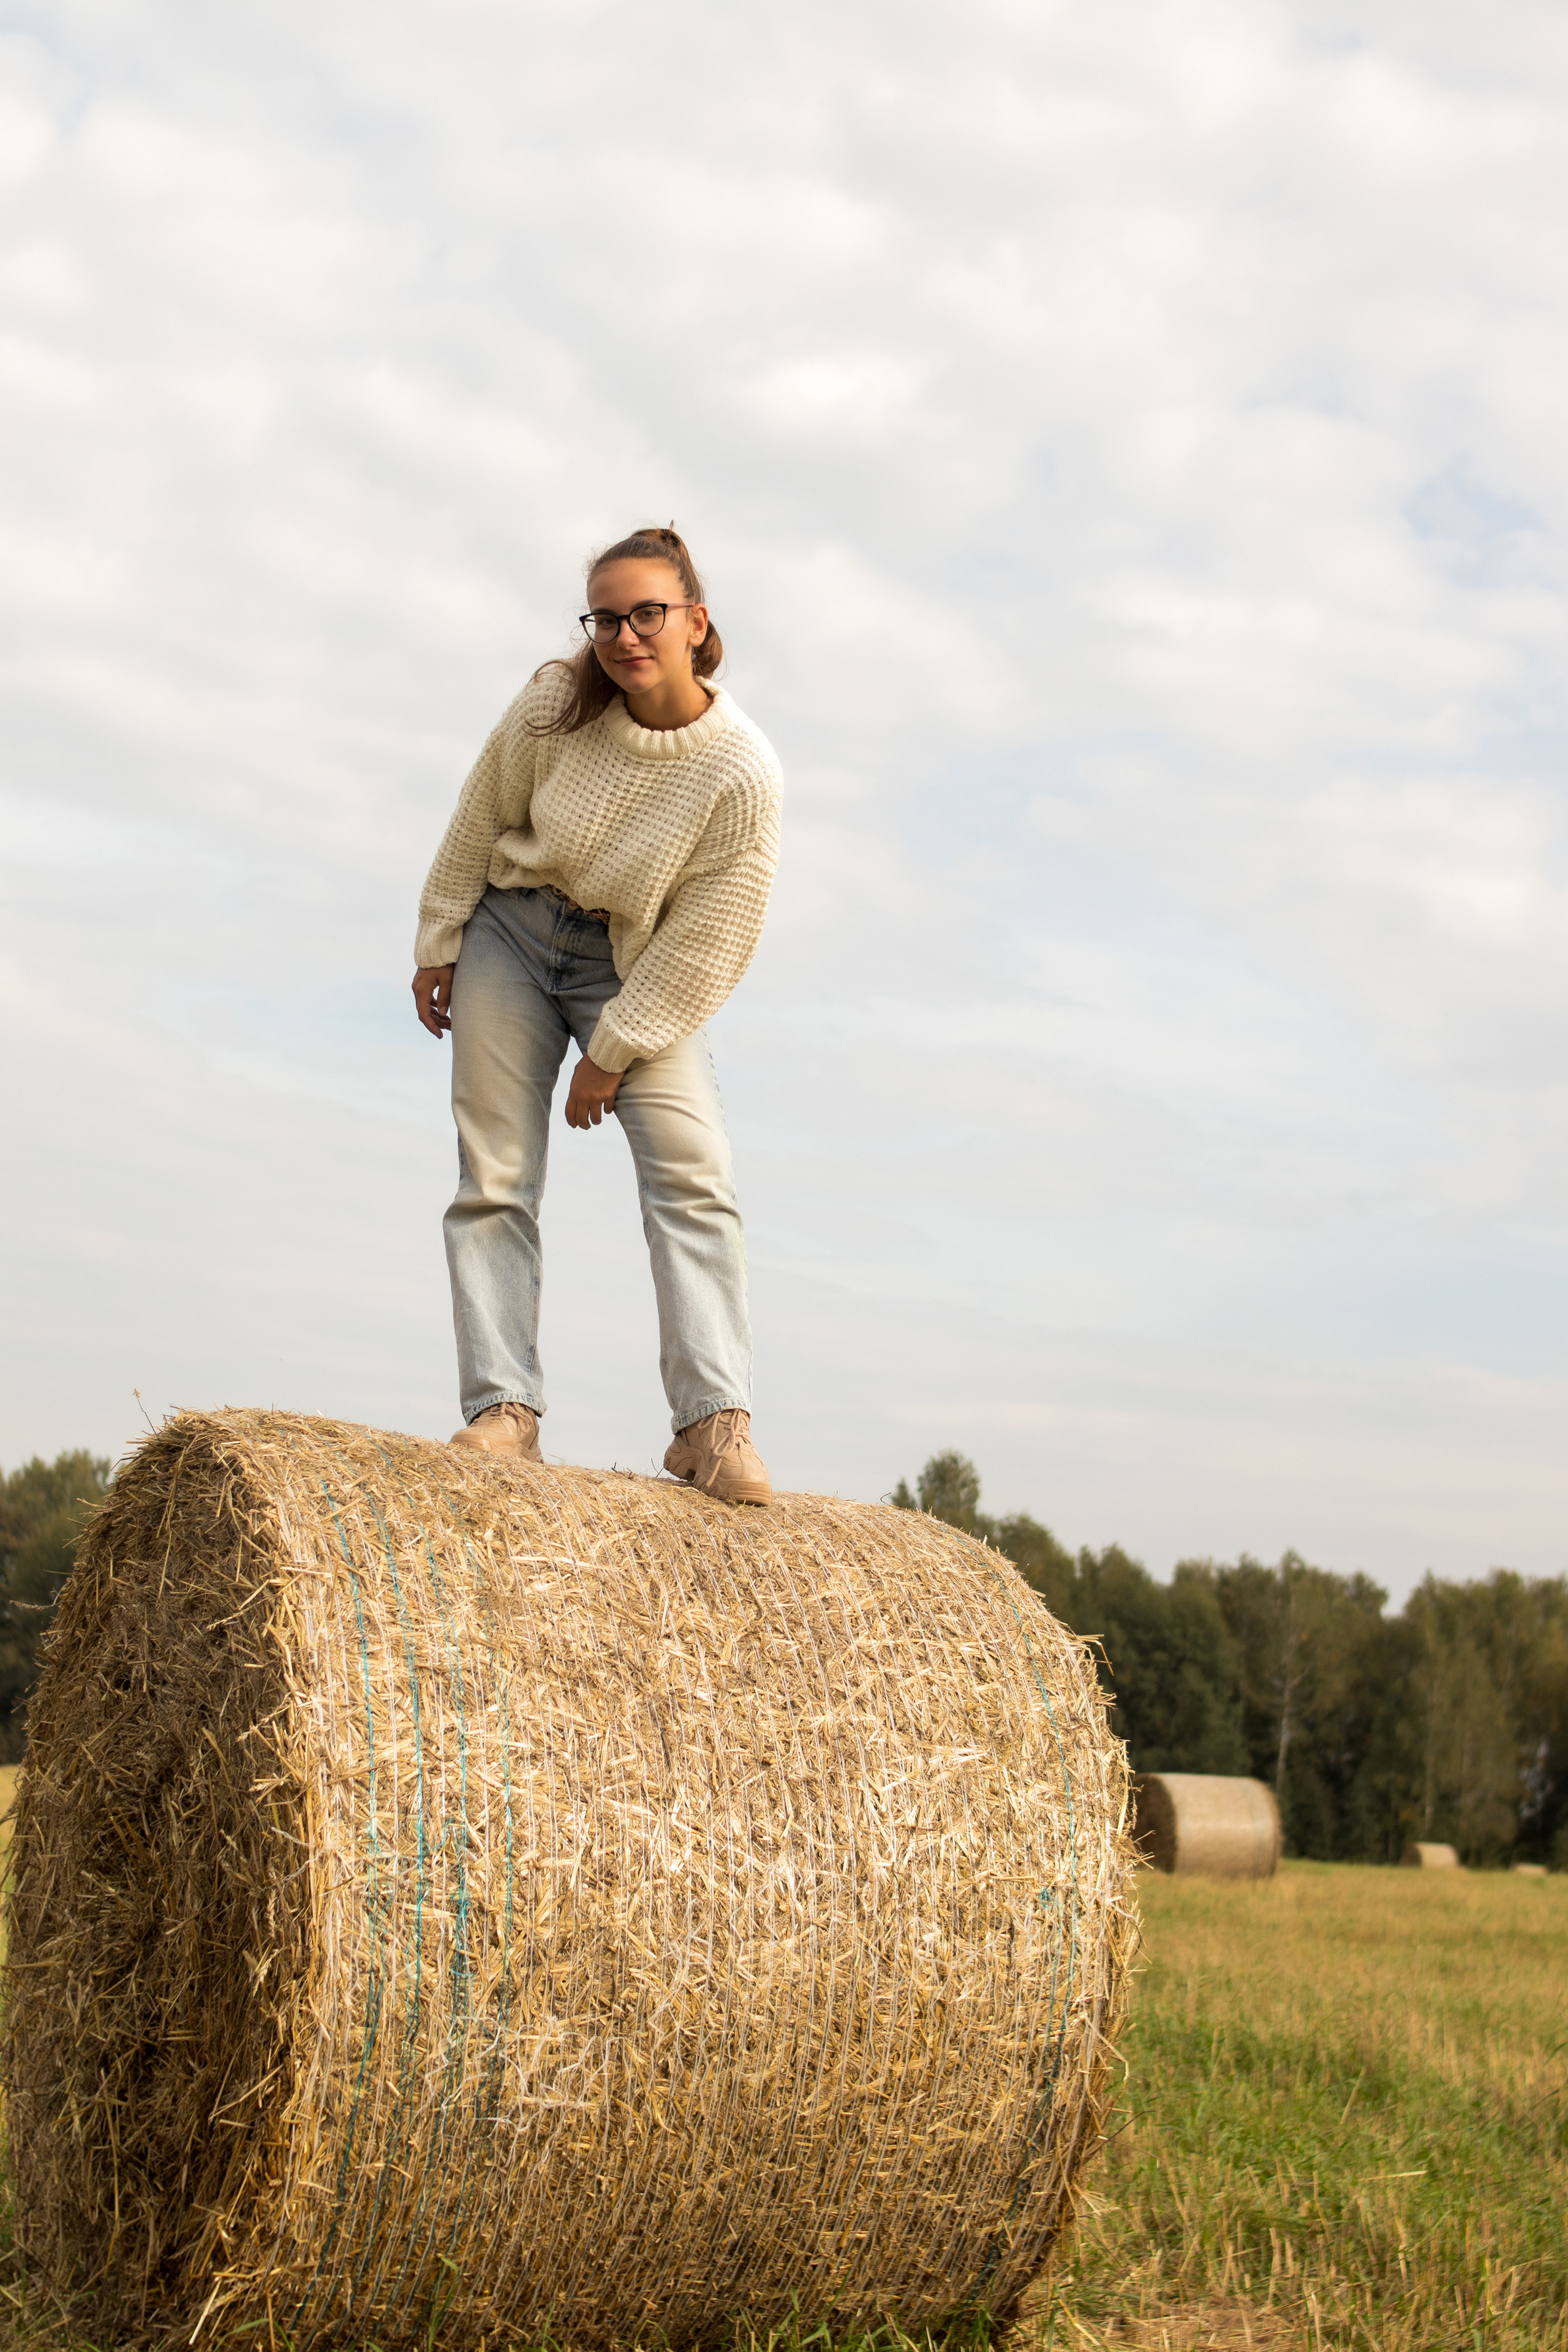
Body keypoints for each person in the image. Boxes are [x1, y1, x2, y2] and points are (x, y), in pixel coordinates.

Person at [411, 526, 782, 1506]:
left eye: (648, 613)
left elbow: (711, 939)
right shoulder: (555, 705)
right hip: (513, 932)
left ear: (695, 622)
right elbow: (479, 814)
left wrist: (612, 1053)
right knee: (493, 1171)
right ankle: (505, 1411)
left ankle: (713, 1425)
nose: (625, 635)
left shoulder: (741, 773)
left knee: (693, 1172)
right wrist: (439, 937)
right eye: (607, 617)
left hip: (636, 963)